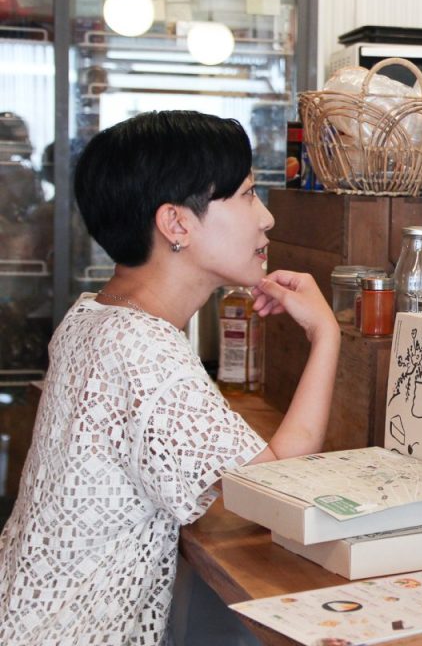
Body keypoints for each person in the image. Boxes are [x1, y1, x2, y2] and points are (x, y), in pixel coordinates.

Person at [0, 110, 341, 644]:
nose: (267, 219)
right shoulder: (143, 349)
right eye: (249, 194)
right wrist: (326, 334)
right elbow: (276, 489)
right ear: (177, 223)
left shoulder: (94, 314)